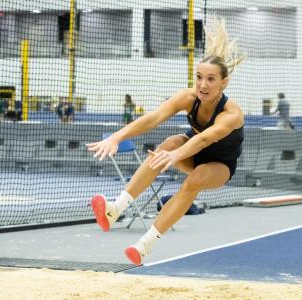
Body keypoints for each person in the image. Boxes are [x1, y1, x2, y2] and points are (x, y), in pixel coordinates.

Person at [86, 17, 245, 266]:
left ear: (224, 82)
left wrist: (176, 155)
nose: (203, 84)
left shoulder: (231, 114)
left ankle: (144, 245)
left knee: (196, 176)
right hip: (189, 152)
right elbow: (154, 118)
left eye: (211, 79)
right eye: (199, 77)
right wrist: (117, 136)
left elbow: (204, 138)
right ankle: (114, 208)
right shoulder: (188, 97)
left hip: (220, 167)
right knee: (170, 143)